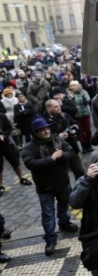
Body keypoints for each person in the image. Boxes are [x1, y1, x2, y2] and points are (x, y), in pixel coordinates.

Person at [21, 118, 79, 256]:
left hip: (62, 182)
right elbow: (30, 163)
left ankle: (64, 222)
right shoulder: (29, 147)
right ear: (36, 132)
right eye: (42, 129)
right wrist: (51, 159)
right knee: (48, 213)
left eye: (47, 128)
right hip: (44, 186)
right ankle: (50, 239)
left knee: (64, 205)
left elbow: (71, 153)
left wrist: (61, 155)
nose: (46, 131)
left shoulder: (57, 140)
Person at [43, 99, 85, 179]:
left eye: (59, 106)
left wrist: (74, 130)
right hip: (57, 152)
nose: (59, 108)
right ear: (48, 109)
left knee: (80, 172)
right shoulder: (44, 121)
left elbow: (75, 124)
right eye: (56, 107)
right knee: (62, 176)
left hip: (72, 148)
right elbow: (44, 136)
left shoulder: (64, 115)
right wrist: (58, 136)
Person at [0, 109, 33, 196]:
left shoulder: (2, 116)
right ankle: (0, 186)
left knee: (14, 161)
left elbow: (8, 127)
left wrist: (4, 135)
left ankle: (21, 178)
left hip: (5, 143)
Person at [67, 81, 93, 153]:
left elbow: (87, 101)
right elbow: (69, 104)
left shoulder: (83, 92)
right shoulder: (69, 94)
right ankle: (83, 146)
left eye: (74, 85)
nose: (73, 87)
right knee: (80, 131)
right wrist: (71, 98)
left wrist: (83, 96)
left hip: (85, 113)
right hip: (77, 116)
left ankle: (89, 144)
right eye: (71, 86)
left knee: (88, 130)